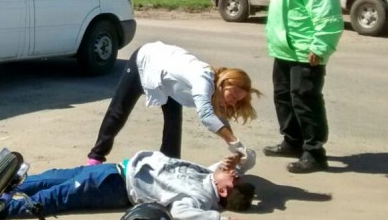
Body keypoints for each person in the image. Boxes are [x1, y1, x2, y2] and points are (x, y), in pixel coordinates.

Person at [86, 42, 259, 166]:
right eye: (233, 94)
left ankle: (169, 163)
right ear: (224, 82)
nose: (233, 100)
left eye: (238, 99)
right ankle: (96, 157)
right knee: (119, 111)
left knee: (173, 122)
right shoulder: (203, 79)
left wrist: (235, 148)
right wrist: (235, 143)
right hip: (145, 61)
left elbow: (218, 117)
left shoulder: (217, 89)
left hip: (168, 78)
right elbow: (207, 117)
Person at [3, 150, 256, 220]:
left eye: (235, 178)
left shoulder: (201, 197)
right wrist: (238, 158)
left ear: (224, 191)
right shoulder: (207, 177)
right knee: (43, 179)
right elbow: (242, 158)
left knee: (49, 199)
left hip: (112, 186)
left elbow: (182, 214)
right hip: (113, 169)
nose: (233, 172)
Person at [264, 0, 343, 173]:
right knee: (284, 97)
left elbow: (327, 12)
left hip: (305, 48)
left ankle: (314, 152)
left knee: (305, 100)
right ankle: (292, 141)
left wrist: (320, 46)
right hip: (284, 47)